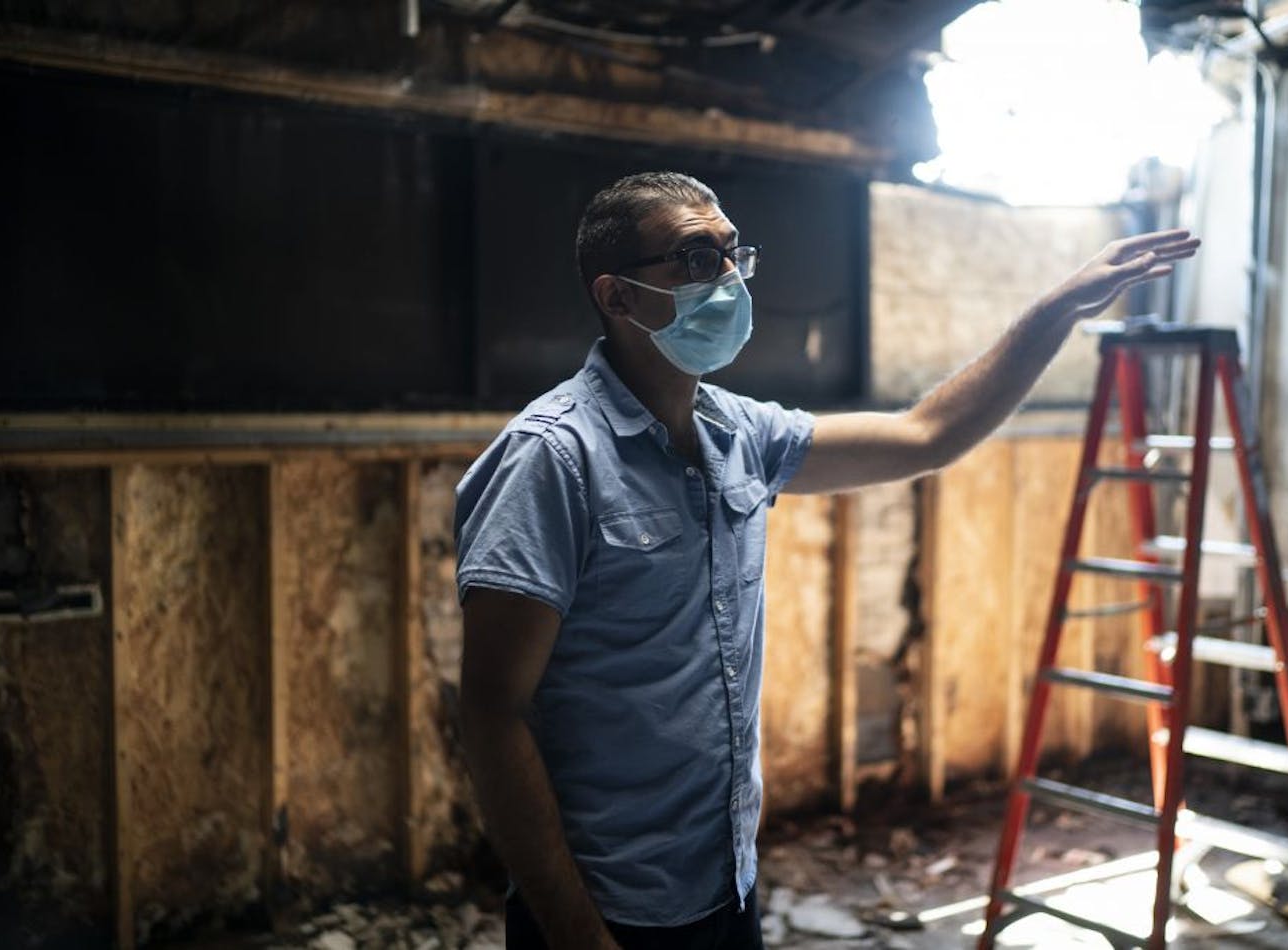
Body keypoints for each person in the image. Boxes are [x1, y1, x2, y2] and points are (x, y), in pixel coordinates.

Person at [453, 171, 1199, 950]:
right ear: (617, 297)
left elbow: (926, 436)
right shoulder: (552, 459)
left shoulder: (736, 433)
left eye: (733, 253)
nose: (730, 278)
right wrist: (575, 932)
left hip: (722, 883)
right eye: (695, 258)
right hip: (605, 908)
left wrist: (1058, 310)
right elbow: (491, 713)